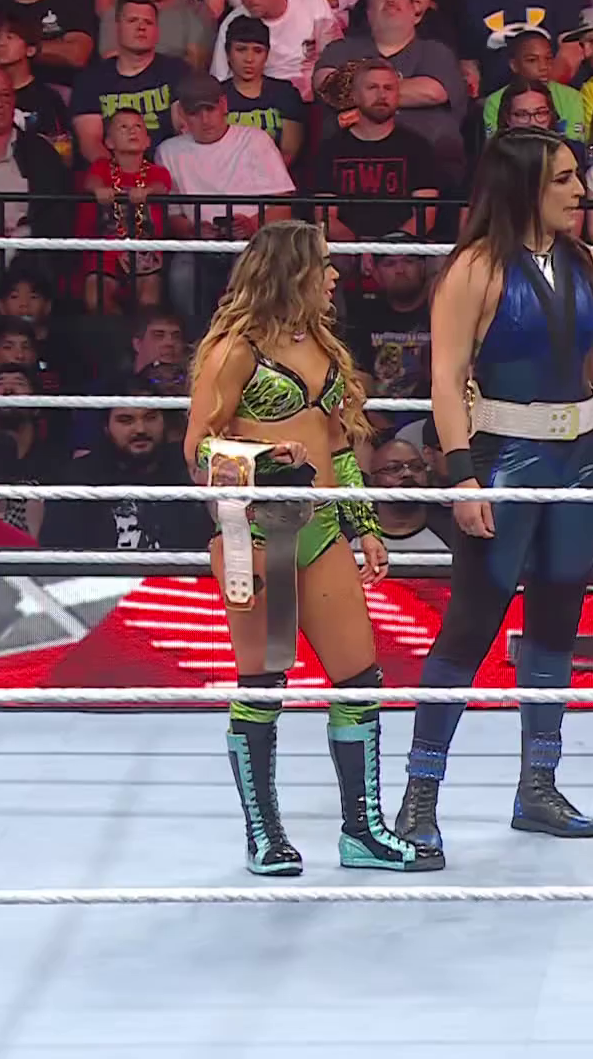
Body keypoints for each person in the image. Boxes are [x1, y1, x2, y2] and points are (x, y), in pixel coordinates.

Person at [393, 128, 593, 852]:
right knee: (471, 625)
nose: (579, 191)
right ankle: (419, 799)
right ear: (523, 186)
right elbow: (446, 378)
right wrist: (461, 475)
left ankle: (538, 787)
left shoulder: (588, 264)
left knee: (556, 624)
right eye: (563, 179)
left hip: (579, 459)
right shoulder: (474, 269)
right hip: (503, 459)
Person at [184, 220, 437, 877]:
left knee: (359, 678)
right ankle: (264, 836)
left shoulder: (324, 346)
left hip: (320, 529)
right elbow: (198, 452)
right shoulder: (235, 350)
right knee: (264, 684)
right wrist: (266, 455)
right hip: (256, 532)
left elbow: (341, 447)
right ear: (291, 270)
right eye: (323, 264)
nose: (333, 275)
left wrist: (364, 525)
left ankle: (363, 831)